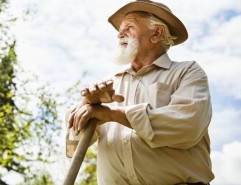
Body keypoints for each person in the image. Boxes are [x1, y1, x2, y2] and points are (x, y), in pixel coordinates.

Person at [66, 0, 214, 184]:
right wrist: (87, 105)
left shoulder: (187, 72)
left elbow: (187, 124)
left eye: (129, 27)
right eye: (120, 29)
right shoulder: (107, 85)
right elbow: (72, 148)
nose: (120, 34)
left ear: (156, 33)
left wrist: (112, 114)